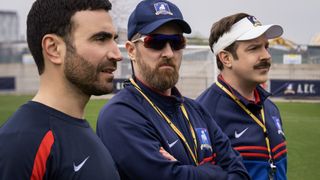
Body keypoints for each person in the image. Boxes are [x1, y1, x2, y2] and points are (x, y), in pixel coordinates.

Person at [96, 1, 250, 179]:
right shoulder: (119, 115)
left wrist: (186, 172)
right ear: (131, 50)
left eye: (177, 42)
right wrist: (214, 170)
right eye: (156, 42)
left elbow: (240, 173)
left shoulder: (196, 110)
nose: (169, 53)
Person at [0, 0, 122, 179]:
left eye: (114, 39)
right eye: (101, 39)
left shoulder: (81, 130)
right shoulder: (22, 144)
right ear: (53, 48)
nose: (117, 54)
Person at [197, 13, 287, 180]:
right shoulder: (202, 114)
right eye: (254, 48)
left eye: (266, 47)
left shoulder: (270, 108)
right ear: (226, 58)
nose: (266, 56)